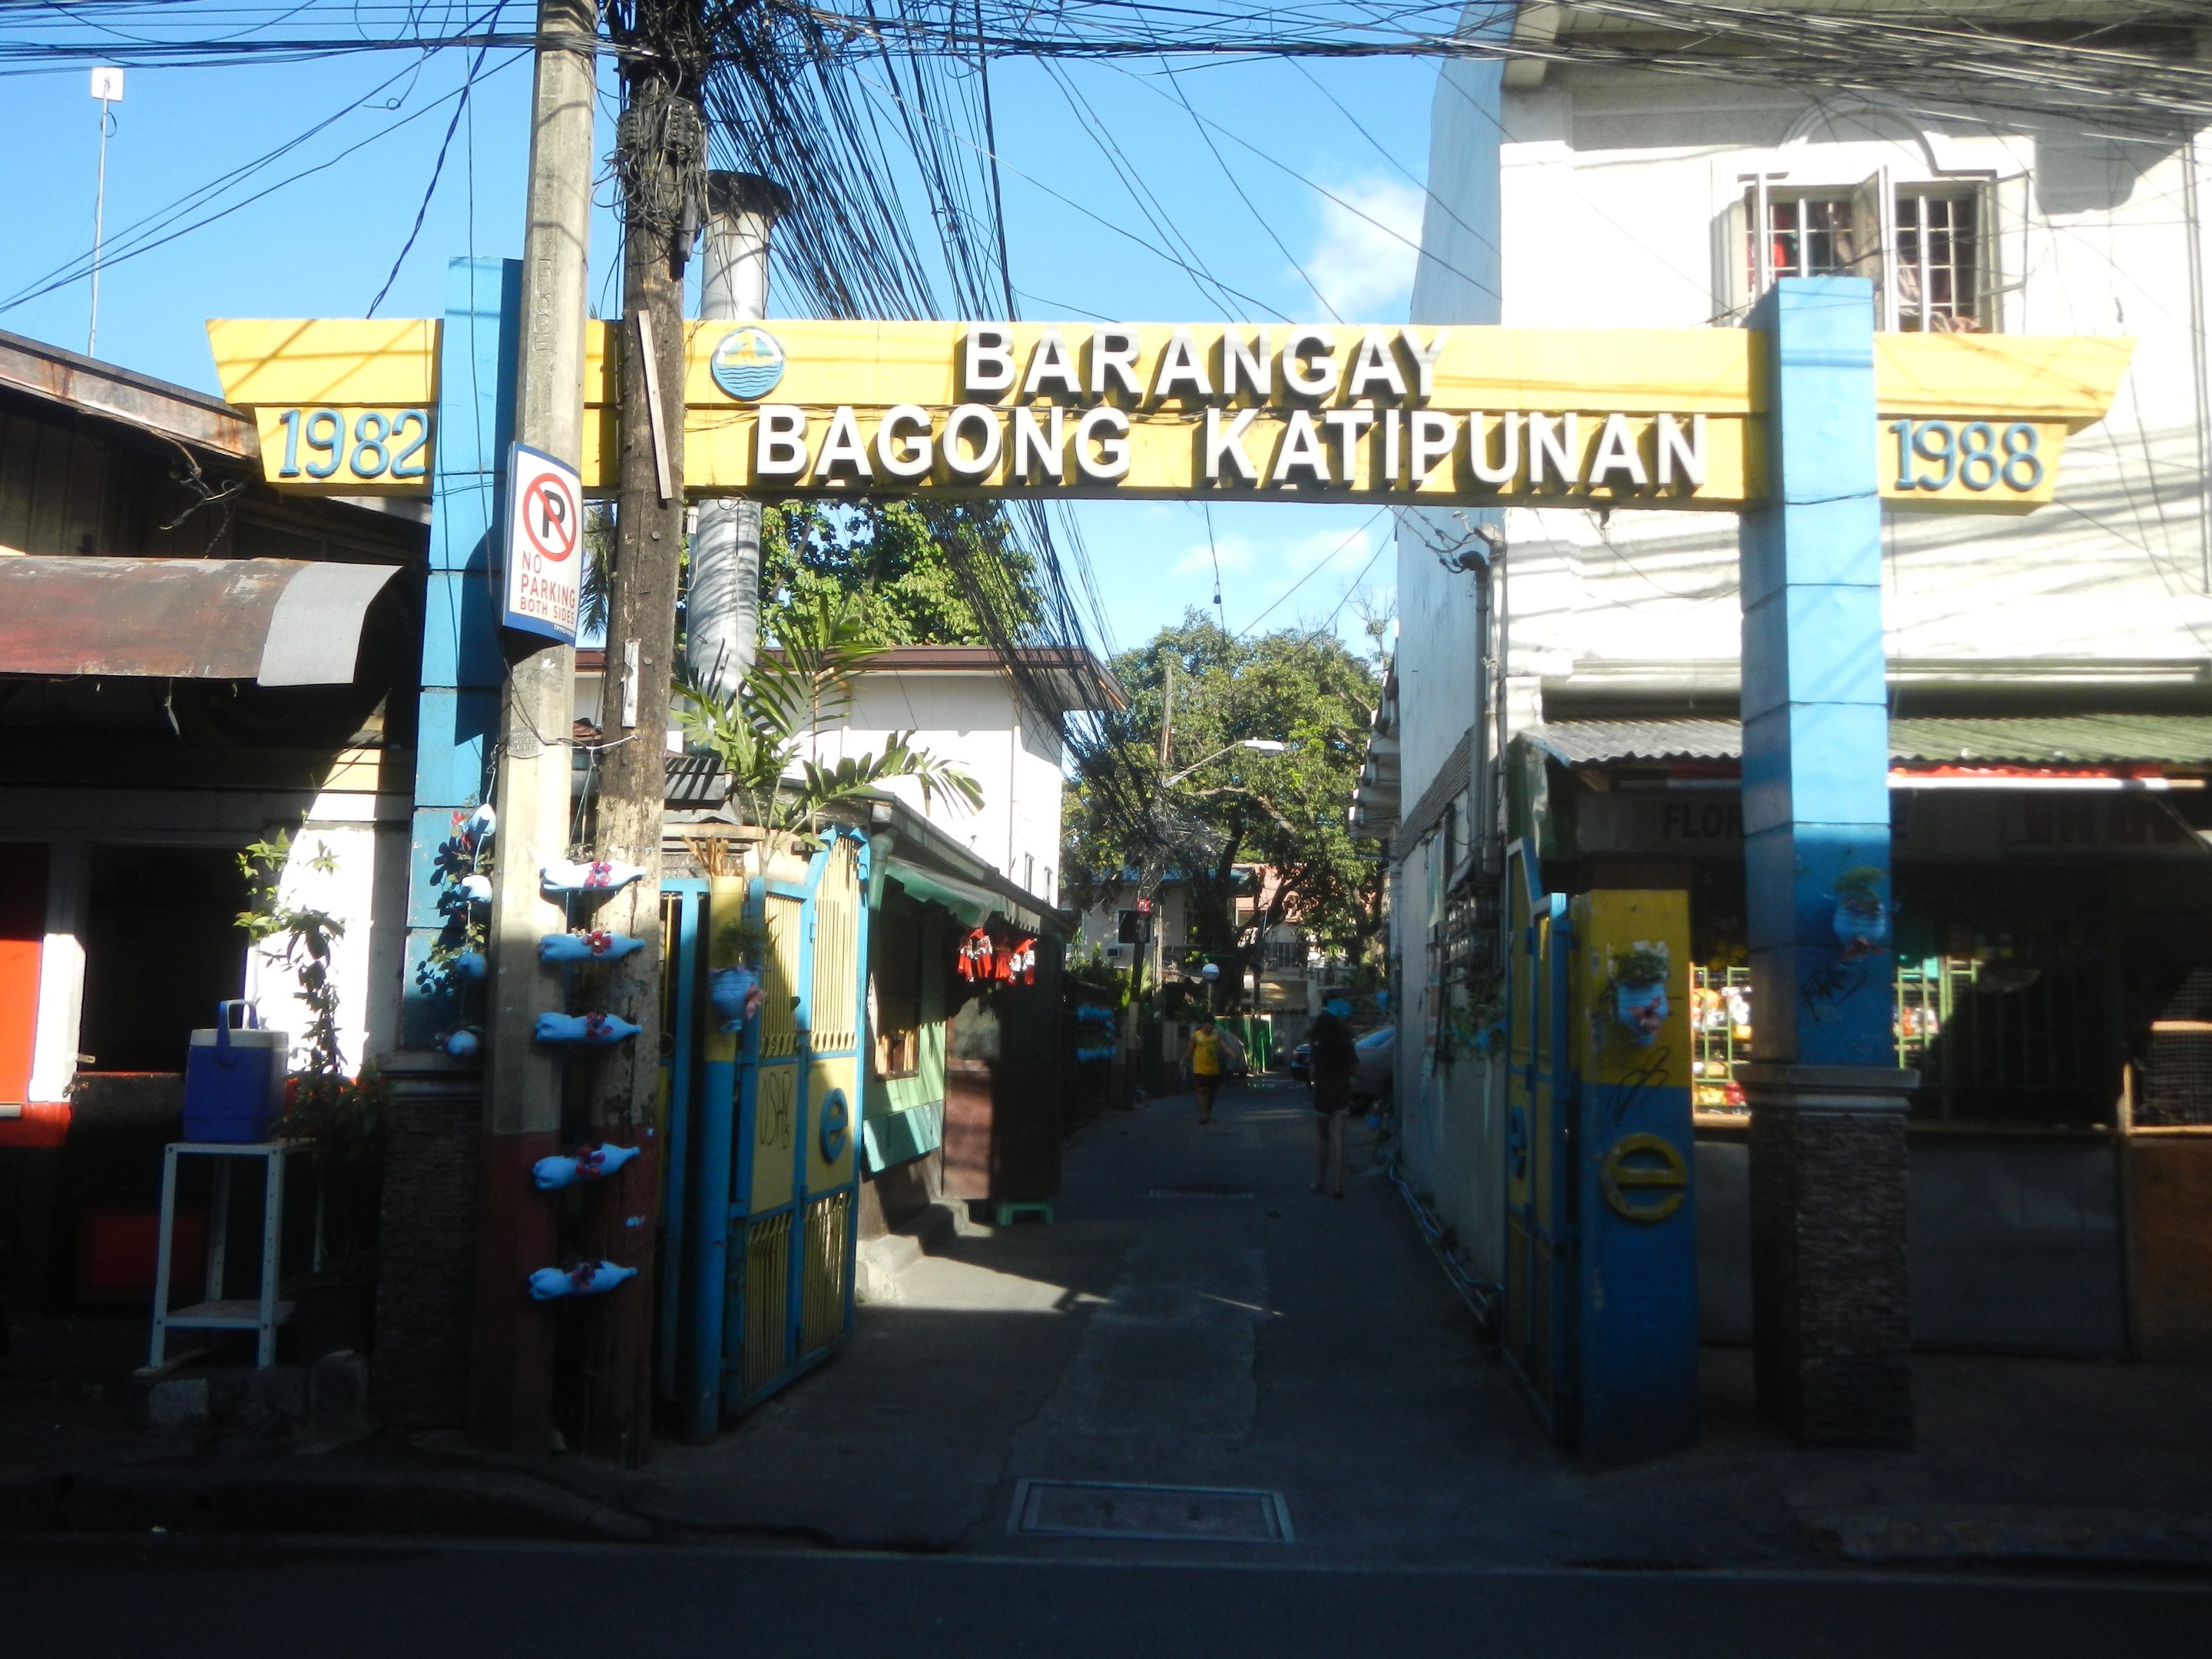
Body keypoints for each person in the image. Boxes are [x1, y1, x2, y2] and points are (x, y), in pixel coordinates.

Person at [1307, 1011, 1358, 1197]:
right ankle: (1338, 1185)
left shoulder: (1317, 1046)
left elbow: (1311, 1075)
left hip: (1322, 1096)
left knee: (1323, 1139)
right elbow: (1356, 1072)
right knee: (1339, 1140)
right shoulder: (1347, 1045)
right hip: (1342, 1095)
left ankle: (1321, 1180)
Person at [1181, 1015, 1224, 1125]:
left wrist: (1232, 1053)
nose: (1211, 1026)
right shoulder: (1196, 1036)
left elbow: (1223, 1046)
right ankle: (1204, 1116)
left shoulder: (1215, 1035)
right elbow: (1189, 1052)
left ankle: (1207, 1114)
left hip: (1214, 1069)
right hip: (1200, 1069)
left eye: (1212, 1025)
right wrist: (1184, 1064)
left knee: (1212, 1093)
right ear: (1203, 1024)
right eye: (1209, 1024)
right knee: (1202, 1091)